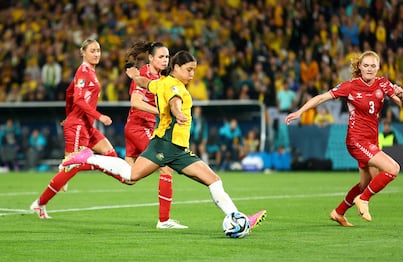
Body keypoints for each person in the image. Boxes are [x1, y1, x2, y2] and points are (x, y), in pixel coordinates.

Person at [62, 50, 267, 231]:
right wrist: (177, 113)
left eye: (194, 70)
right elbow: (174, 102)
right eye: (188, 69)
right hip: (166, 145)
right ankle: (88, 157)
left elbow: (147, 83)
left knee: (213, 180)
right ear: (176, 67)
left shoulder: (162, 82)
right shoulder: (174, 87)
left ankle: (237, 217)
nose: (192, 74)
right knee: (131, 175)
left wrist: (135, 76)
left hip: (178, 149)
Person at [285, 50, 403, 226]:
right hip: (356, 140)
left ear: (378, 67)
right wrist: (299, 112)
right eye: (365, 65)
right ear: (360, 66)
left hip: (372, 140)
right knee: (393, 168)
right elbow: (322, 98)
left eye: (373, 66)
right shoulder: (350, 86)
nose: (369, 69)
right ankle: (364, 199)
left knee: (365, 182)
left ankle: (339, 212)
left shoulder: (383, 84)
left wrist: (402, 95)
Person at [30, 39, 128, 219]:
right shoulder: (84, 71)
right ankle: (40, 203)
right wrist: (99, 116)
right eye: (92, 50)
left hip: (86, 125)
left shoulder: (89, 71)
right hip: (78, 127)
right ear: (83, 52)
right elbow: (78, 100)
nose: (97, 54)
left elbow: (69, 92)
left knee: (109, 156)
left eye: (98, 50)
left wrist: (68, 114)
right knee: (71, 169)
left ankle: (73, 165)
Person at [124, 41, 187, 229]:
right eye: (161, 56)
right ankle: (164, 220)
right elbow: (135, 102)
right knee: (166, 167)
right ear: (150, 58)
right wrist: (160, 112)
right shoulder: (143, 74)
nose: (165, 60)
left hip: (143, 127)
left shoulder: (160, 77)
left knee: (130, 178)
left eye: (167, 57)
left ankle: (91, 161)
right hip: (138, 127)